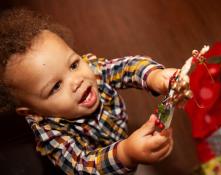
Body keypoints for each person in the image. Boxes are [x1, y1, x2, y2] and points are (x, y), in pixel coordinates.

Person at [0, 8, 179, 174]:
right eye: (56, 87)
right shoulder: (50, 135)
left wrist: (154, 76)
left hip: (120, 136)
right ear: (32, 112)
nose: (76, 81)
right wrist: (126, 154)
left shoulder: (89, 69)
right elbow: (82, 165)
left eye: (73, 64)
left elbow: (125, 68)